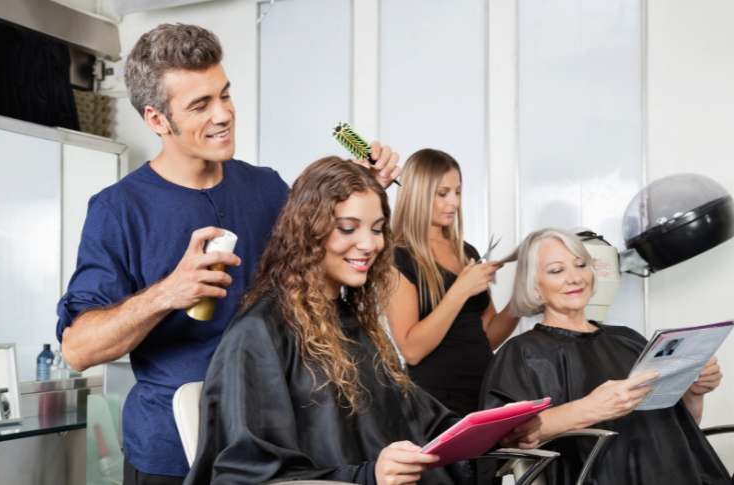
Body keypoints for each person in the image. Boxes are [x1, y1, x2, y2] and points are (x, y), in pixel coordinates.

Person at [55, 24, 400, 484]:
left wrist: (355, 190)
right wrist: (167, 294)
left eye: (225, 94)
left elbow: (321, 270)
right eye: (200, 105)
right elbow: (77, 348)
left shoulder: (267, 188)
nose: (223, 115)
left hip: (270, 442)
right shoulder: (119, 209)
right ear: (157, 119)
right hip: (172, 454)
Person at [184, 158, 541, 485]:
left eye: (377, 229)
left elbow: (417, 418)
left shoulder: (351, 322)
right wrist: (369, 476)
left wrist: (494, 432)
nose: (369, 244)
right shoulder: (260, 333)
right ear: (309, 230)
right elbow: (244, 473)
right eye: (348, 228)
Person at [480, 228, 731, 485]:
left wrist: (693, 393)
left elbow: (679, 427)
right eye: (557, 270)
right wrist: (591, 408)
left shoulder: (629, 339)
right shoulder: (522, 352)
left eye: (580, 265)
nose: (575, 278)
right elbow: (505, 437)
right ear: (534, 287)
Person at [386, 149, 519, 418]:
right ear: (418, 194)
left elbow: (488, 334)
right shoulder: (397, 258)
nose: (455, 202)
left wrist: (522, 302)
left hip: (485, 393)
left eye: (457, 192)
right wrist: (460, 290)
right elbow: (411, 350)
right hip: (436, 403)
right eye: (443, 193)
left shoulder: (466, 251)